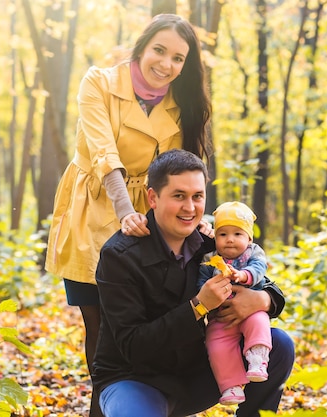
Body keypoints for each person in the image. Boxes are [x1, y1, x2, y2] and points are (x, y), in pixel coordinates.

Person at [44, 14, 211, 417]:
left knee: (139, 319)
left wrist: (199, 217)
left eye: (178, 58)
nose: (166, 65)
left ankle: (144, 402)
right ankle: (102, 405)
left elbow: (185, 168)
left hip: (148, 208)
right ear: (142, 46)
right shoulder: (99, 81)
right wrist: (125, 212)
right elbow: (103, 152)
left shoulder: (180, 105)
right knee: (99, 324)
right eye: (159, 50)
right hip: (96, 202)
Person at [93, 149, 295, 417]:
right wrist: (198, 306)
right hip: (135, 379)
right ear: (152, 197)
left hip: (194, 371)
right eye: (179, 196)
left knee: (279, 344)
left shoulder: (210, 243)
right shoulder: (120, 255)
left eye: (197, 196)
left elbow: (269, 287)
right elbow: (133, 346)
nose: (190, 208)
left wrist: (263, 299)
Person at [197, 201, 272, 405]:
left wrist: (244, 275)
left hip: (249, 309)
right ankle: (231, 386)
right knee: (216, 341)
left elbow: (259, 268)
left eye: (237, 234)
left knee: (259, 321)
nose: (230, 240)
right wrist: (205, 294)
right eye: (223, 234)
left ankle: (257, 358)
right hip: (221, 316)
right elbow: (201, 282)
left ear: (248, 238)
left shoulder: (253, 252)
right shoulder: (210, 258)